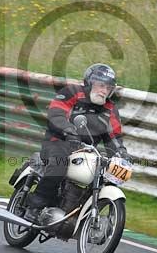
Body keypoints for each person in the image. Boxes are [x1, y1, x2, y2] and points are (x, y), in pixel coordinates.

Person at [25, 63, 129, 214]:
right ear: (89, 82)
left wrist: (121, 153)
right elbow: (56, 114)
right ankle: (36, 205)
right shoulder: (71, 92)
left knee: (107, 177)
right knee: (59, 164)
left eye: (108, 88)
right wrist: (68, 130)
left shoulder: (110, 109)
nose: (104, 91)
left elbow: (113, 136)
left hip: (87, 152)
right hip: (58, 142)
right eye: (101, 85)